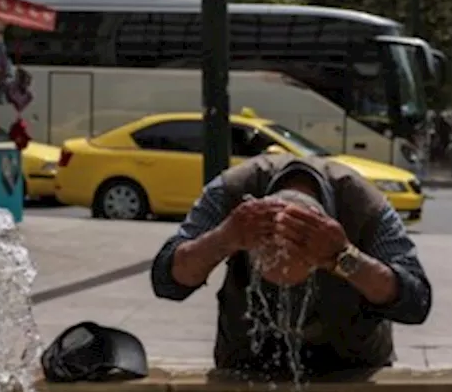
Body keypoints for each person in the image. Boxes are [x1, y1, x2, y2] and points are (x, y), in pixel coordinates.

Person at [151, 155, 432, 378]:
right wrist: (224, 238)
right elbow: (167, 280)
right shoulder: (230, 191)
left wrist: (344, 258)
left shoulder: (365, 205)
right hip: (246, 365)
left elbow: (415, 301)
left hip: (352, 367)